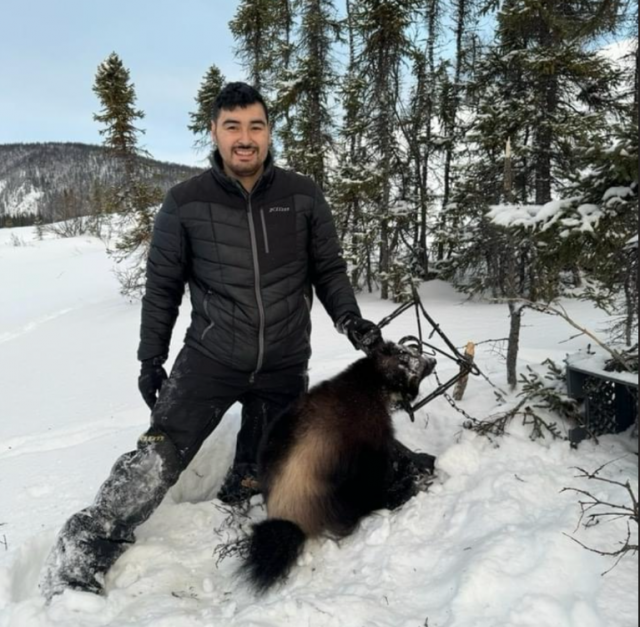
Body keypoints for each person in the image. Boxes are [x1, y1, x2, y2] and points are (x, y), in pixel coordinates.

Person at [39, 82, 382, 600]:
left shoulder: (302, 195)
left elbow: (328, 269)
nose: (245, 138)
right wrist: (150, 359)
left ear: (269, 132)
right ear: (215, 132)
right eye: (233, 127)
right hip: (211, 357)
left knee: (276, 455)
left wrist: (351, 321)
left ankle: (244, 482)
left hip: (284, 358)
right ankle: (84, 547)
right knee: (158, 456)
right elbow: (162, 289)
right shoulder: (185, 202)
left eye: (255, 126)